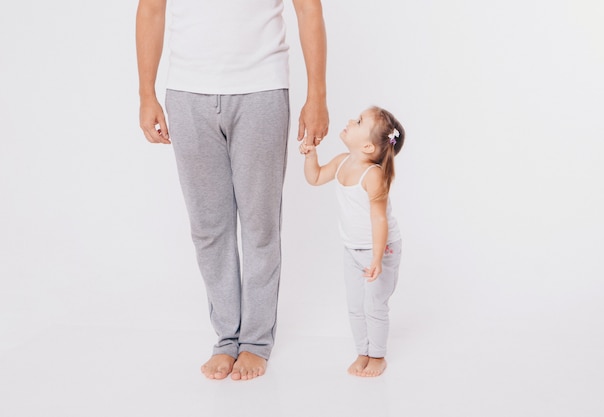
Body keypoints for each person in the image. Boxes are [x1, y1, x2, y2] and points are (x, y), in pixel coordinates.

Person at [135, 0, 329, 381]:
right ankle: (227, 338)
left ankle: (255, 342)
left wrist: (317, 96)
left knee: (260, 224)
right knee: (208, 227)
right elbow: (151, 9)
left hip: (262, 88)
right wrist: (146, 94)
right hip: (188, 92)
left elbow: (309, 9)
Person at [300, 106, 404, 377]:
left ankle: (377, 355)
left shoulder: (373, 176)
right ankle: (363, 351)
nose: (350, 121)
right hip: (352, 249)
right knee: (356, 305)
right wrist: (311, 154)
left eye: (358, 121)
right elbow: (315, 177)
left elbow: (379, 221)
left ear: (369, 147)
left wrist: (377, 260)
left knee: (374, 305)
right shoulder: (343, 161)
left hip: (380, 250)